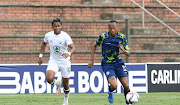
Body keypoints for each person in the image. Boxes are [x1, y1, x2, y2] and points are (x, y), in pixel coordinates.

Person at [88, 20, 131, 105]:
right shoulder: (103, 37)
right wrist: (92, 60)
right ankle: (110, 91)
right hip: (107, 64)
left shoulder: (122, 37)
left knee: (126, 85)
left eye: (114, 28)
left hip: (118, 63)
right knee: (114, 86)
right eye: (110, 28)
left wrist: (123, 50)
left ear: (117, 28)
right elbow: (94, 45)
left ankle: (128, 103)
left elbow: (128, 53)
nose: (112, 30)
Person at [38, 18, 76, 105]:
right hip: (54, 60)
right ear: (52, 27)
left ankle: (66, 99)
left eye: (58, 26)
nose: (57, 27)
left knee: (66, 83)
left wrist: (69, 53)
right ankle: (57, 83)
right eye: (55, 26)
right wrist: (40, 56)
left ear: (61, 26)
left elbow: (73, 48)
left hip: (64, 61)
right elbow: (44, 44)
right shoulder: (48, 35)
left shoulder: (65, 36)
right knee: (49, 78)